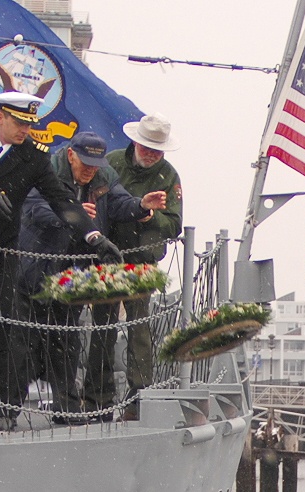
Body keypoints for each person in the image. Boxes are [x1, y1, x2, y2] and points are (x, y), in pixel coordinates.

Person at [0, 92, 122, 434]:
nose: (25, 129)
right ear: (1, 117)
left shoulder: (33, 158)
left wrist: (94, 238)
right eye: (20, 122)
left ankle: (0, 411)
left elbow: (61, 200)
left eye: (29, 123)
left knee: (3, 335)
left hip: (1, 255)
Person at [16, 131, 168, 425]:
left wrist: (141, 206)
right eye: (85, 163)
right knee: (24, 341)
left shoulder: (103, 176)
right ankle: (6, 410)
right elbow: (34, 209)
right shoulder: (46, 170)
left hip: (73, 272)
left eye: (95, 164)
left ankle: (66, 408)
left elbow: (119, 203)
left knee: (67, 341)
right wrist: (71, 215)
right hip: (37, 269)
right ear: (70, 154)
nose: (90, 170)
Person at [82, 113, 183, 421]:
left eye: (157, 148)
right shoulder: (110, 163)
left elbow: (174, 224)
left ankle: (138, 398)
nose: (151, 153)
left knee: (140, 330)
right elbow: (96, 206)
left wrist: (150, 219)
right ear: (135, 142)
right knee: (102, 329)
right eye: (147, 146)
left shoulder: (170, 176)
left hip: (142, 263)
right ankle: (97, 398)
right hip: (107, 261)